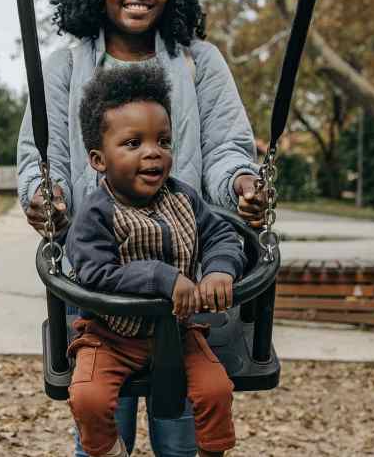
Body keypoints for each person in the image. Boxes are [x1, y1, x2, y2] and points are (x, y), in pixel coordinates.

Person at [16, 0, 263, 456]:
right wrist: (44, 197)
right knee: (106, 414)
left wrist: (243, 183)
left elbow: (225, 149)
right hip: (99, 288)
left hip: (187, 287)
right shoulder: (66, 68)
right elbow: (43, 156)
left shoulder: (200, 63)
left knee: (182, 425)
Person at [67, 64, 243, 457]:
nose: (153, 152)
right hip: (110, 336)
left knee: (216, 390)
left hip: (179, 333)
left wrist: (218, 269)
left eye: (163, 141)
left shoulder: (184, 198)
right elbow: (95, 274)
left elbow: (221, 235)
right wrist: (161, 277)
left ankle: (212, 451)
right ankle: (108, 451)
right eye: (133, 143)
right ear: (99, 159)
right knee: (87, 399)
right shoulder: (95, 214)